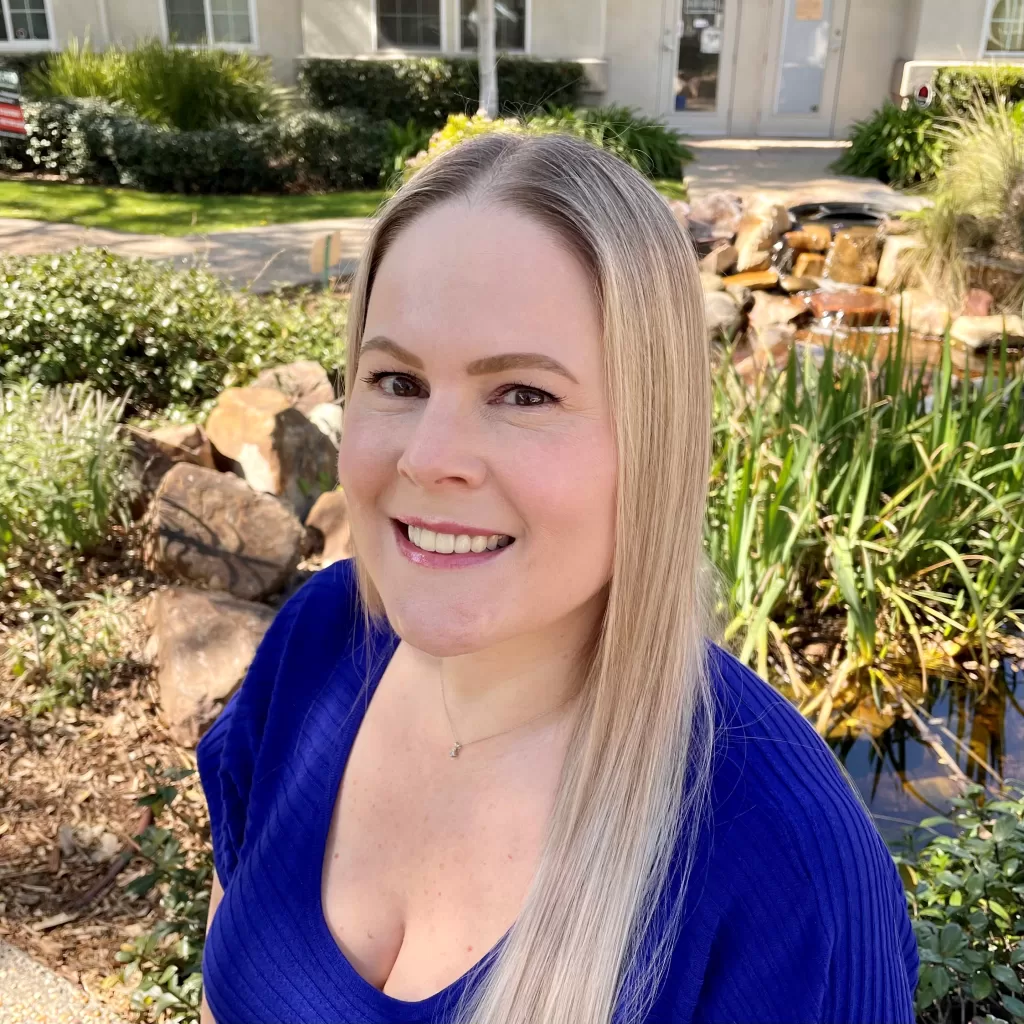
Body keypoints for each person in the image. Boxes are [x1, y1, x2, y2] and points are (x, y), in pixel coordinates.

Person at [196, 131, 919, 1024]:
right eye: (397, 380)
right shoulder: (316, 645)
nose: (430, 458)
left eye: (524, 394)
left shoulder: (786, 866)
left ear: (652, 441)